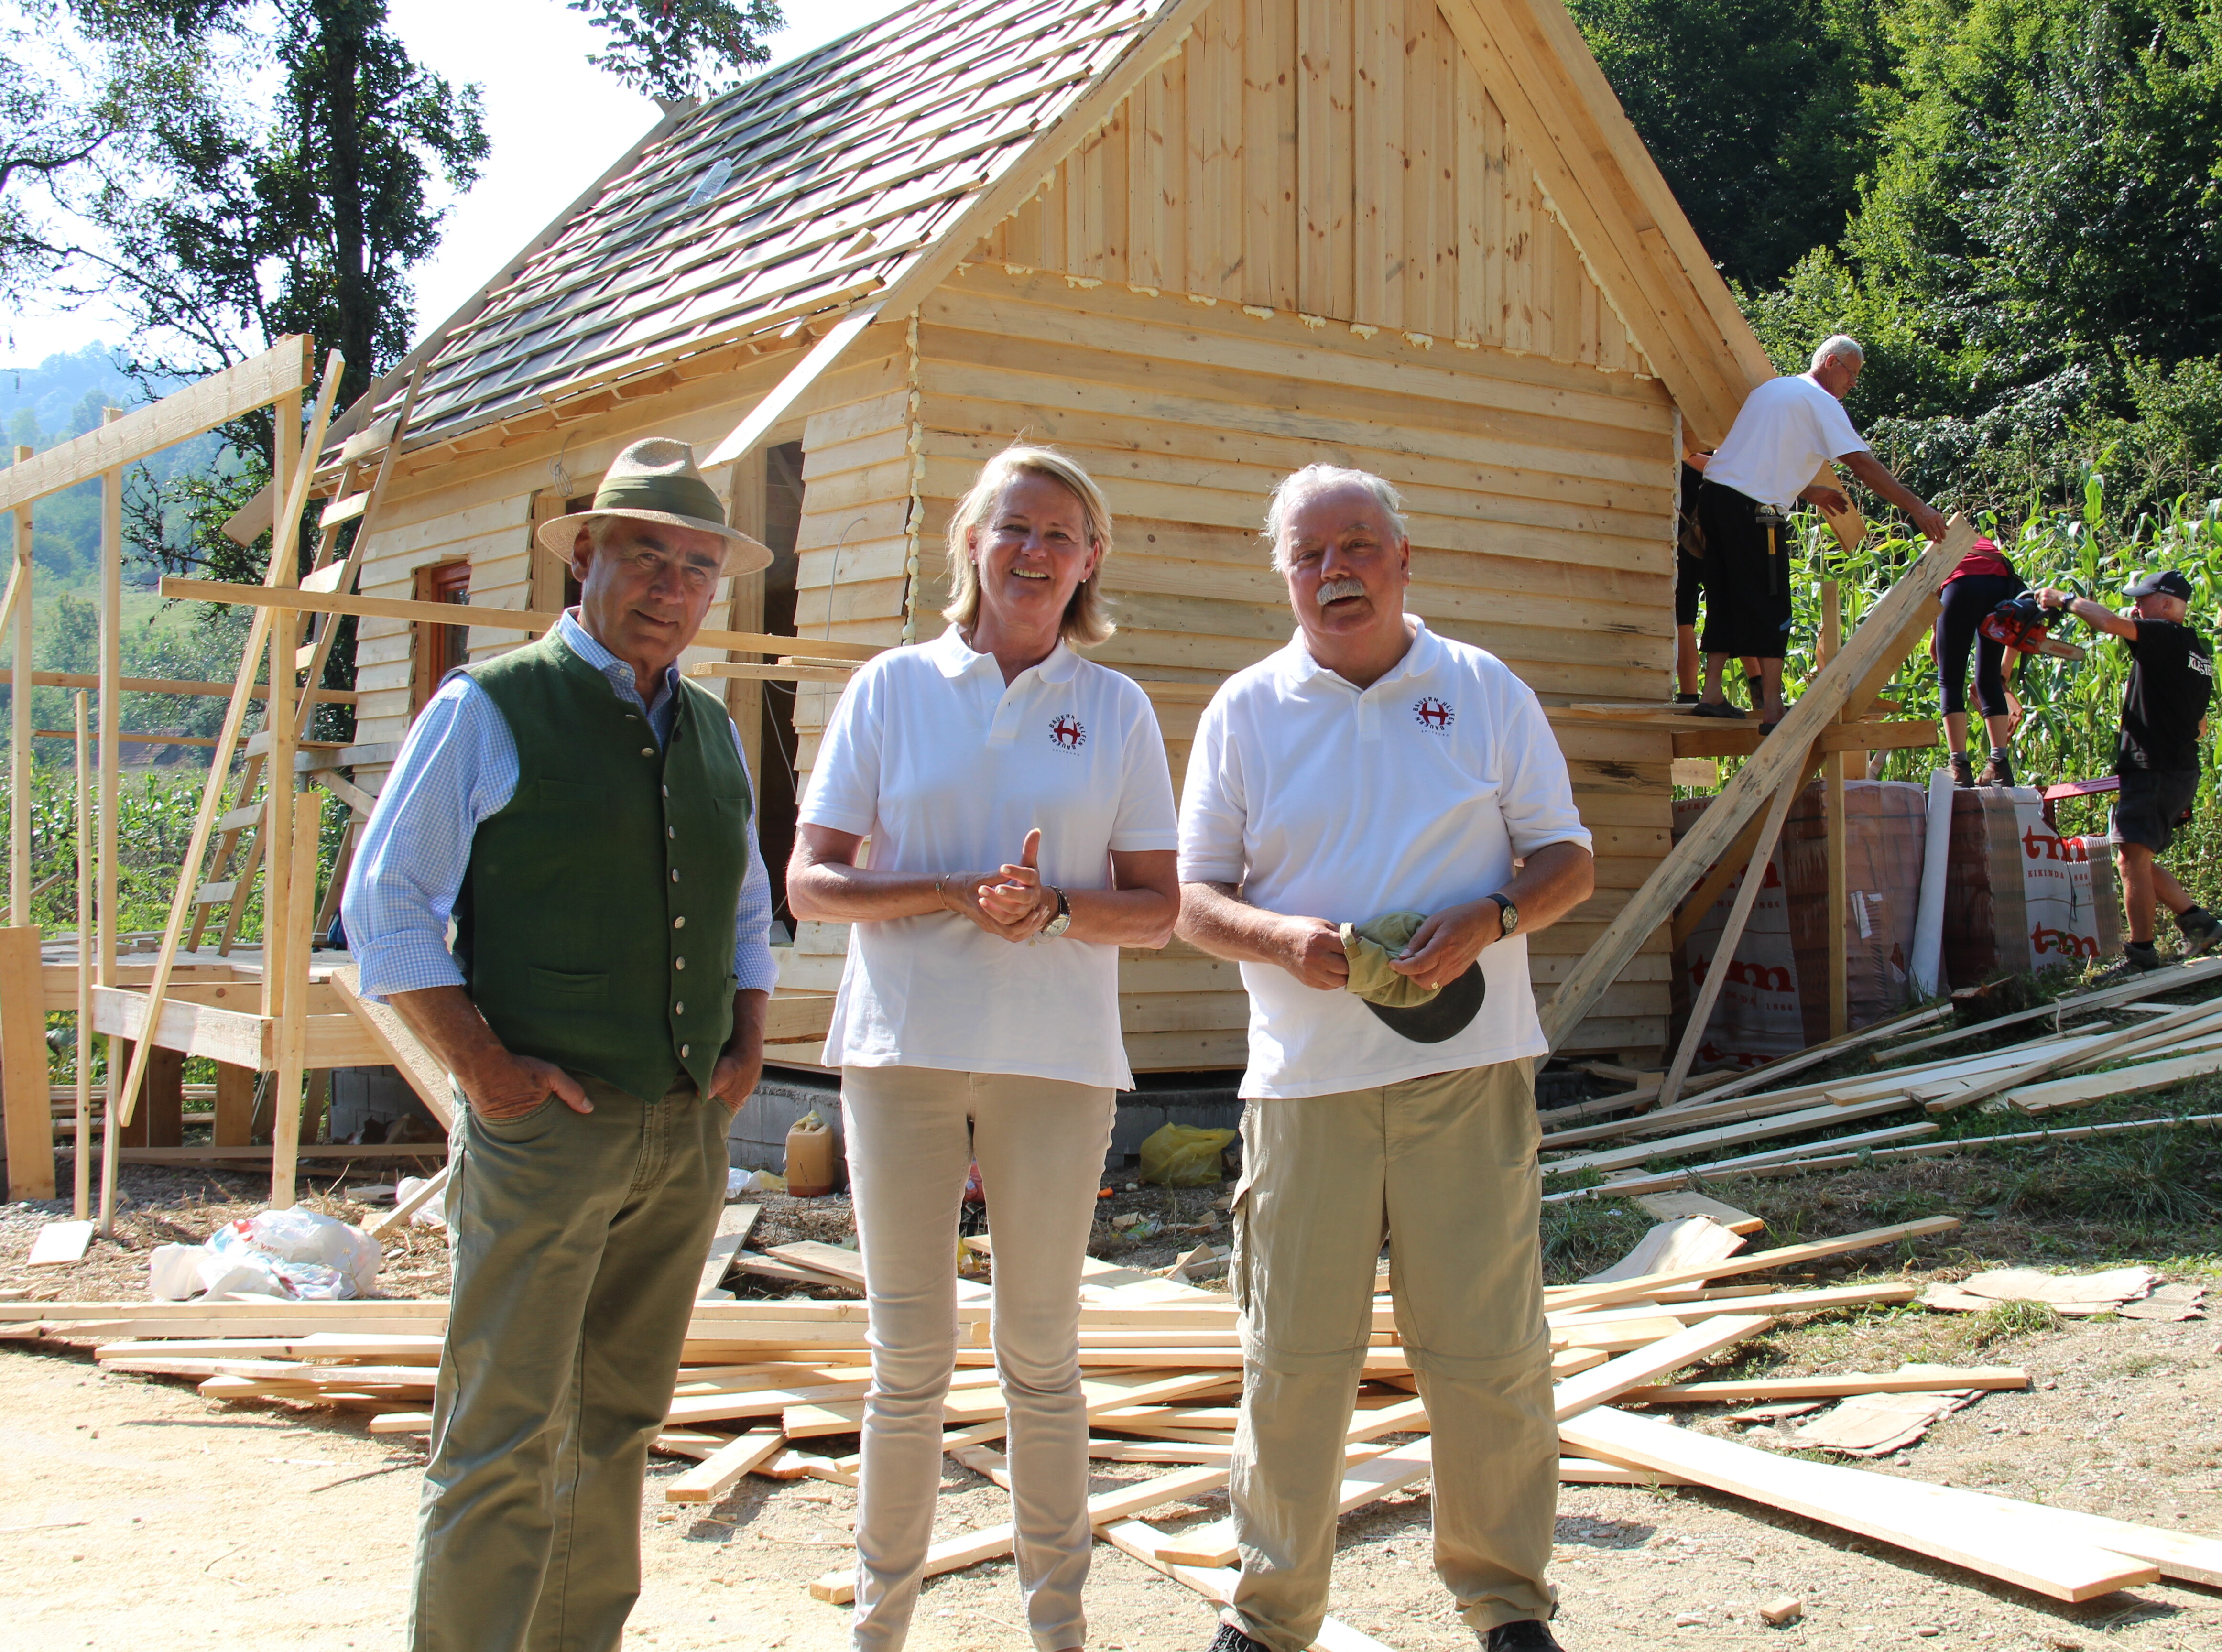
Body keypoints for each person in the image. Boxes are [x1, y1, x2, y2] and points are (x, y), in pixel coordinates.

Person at [343, 436, 778, 1651]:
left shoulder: (709, 728)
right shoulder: (487, 703)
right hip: (546, 1136)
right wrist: (486, 1073)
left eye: (698, 567)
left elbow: (746, 906)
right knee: (500, 1428)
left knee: (620, 1418)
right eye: (649, 554)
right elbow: (386, 910)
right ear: (586, 555)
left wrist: (747, 1041)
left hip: (682, 1125)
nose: (674, 586)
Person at [1176, 465, 1599, 1652]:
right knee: (1293, 1360)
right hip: (1305, 1082)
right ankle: (1267, 1615)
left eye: (1355, 546)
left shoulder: (1477, 687)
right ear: (1285, 577)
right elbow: (1193, 897)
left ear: (1404, 560)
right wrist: (1279, 937)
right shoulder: (1245, 709)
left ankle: (1507, 1603)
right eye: (1307, 555)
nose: (1333, 571)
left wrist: (1490, 918)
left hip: (1466, 1070)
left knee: (1487, 1350)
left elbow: (1565, 855)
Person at [785, 446, 1180, 1652]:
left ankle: (1055, 1629)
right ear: (971, 539)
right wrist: (949, 890)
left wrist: (1052, 907)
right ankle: (877, 1627)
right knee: (905, 1359)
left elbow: (1159, 906)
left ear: (1089, 560)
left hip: (1056, 1060)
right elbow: (810, 880)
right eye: (1015, 527)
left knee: (1041, 1356)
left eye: (1061, 535)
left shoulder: (1113, 707)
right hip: (902, 1049)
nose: (1035, 551)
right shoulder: (892, 687)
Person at [1698, 335, 1948, 732]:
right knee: (1771, 601)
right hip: (1754, 512)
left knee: (1725, 596)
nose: (1853, 384)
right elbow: (1861, 465)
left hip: (1714, 499)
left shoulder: (1776, 389)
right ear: (1831, 363)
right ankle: (1773, 710)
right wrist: (1916, 506)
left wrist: (1807, 491)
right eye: (1852, 374)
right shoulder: (1820, 401)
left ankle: (1711, 694)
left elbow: (1756, 460)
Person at [2034, 569, 2222, 976]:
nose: (2136, 606)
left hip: (2155, 767)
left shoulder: (2165, 634)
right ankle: (2201, 924)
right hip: (2173, 767)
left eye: (2143, 600)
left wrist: (2064, 600)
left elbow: (2107, 622)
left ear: (2166, 604)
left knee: (2129, 860)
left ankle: (2142, 956)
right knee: (2135, 859)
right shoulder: (2195, 650)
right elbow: (2200, 725)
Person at [1935, 536, 2027, 787]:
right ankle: (1999, 766)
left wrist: (1937, 640)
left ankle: (1960, 768)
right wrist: (2003, 675)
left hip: (1961, 585)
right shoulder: (1986, 545)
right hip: (2000, 589)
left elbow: (1932, 596)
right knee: (1989, 680)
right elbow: (2018, 634)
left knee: (1949, 681)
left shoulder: (1938, 542)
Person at [1672, 453, 1759, 709]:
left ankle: (1760, 688)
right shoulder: (1718, 432)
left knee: (1727, 608)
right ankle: (1690, 696)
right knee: (1685, 615)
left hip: (1706, 525)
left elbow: (1722, 466)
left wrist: (1686, 453)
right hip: (1696, 526)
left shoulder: (1699, 437)